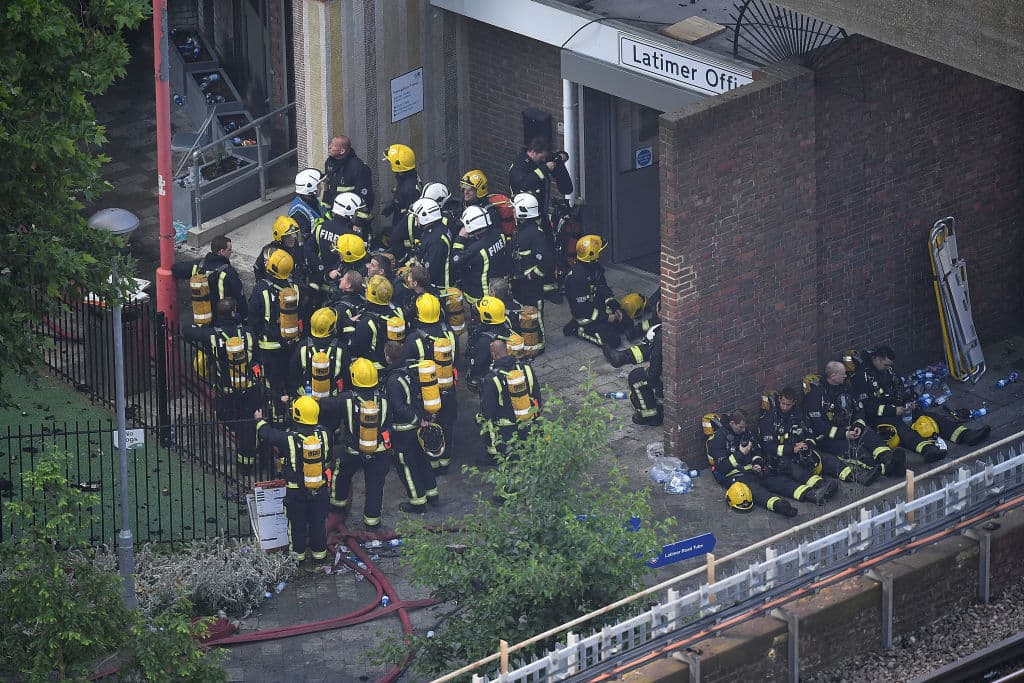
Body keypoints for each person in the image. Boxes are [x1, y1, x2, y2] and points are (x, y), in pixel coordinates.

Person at [851, 346, 990, 460]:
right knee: (903, 430)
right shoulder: (862, 377)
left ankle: (966, 435)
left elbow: (898, 385)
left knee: (930, 417)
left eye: (890, 365)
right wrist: (894, 411)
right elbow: (867, 407)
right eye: (886, 364)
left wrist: (907, 401)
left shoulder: (888, 370)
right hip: (880, 417)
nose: (888, 368)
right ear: (876, 359)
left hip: (898, 407)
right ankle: (928, 450)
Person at [184, 297, 261, 473]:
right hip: (249, 391)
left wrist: (202, 328)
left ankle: (240, 438)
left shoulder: (212, 336)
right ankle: (247, 466)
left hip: (226, 393)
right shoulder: (248, 333)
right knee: (249, 426)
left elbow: (186, 331)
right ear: (234, 312)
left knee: (231, 421)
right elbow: (258, 358)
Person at [759, 387, 878, 496]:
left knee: (827, 460)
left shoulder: (799, 414)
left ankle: (858, 476)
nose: (784, 407)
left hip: (802, 450)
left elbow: (810, 432)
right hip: (782, 457)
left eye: (788, 405)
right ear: (779, 399)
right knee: (797, 470)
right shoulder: (768, 419)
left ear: (794, 402)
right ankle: (822, 486)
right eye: (783, 403)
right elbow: (768, 446)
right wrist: (791, 449)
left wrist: (807, 444)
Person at [254, 396, 332, 561]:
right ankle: (320, 557)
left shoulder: (289, 438)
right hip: (320, 489)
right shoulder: (325, 434)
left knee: (297, 527)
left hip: (296, 492)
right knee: (318, 524)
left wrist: (259, 420)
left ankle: (297, 559)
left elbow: (268, 435)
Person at [805, 361, 906, 477]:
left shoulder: (846, 388)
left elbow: (859, 409)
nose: (845, 376)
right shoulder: (815, 395)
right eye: (843, 374)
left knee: (872, 439)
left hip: (850, 428)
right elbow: (818, 425)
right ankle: (884, 469)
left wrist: (858, 425)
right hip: (829, 438)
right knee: (858, 452)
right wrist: (844, 434)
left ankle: (890, 458)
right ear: (833, 376)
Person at [327, 358, 392, 528]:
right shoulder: (384, 399)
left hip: (351, 451)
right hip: (378, 451)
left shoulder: (346, 399)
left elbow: (328, 409)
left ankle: (337, 510)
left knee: (341, 476)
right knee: (375, 486)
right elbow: (389, 423)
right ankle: (372, 522)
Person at [404, 293, 459, 474]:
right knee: (447, 424)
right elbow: (455, 359)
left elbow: (408, 366)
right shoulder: (449, 333)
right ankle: (445, 461)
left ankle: (431, 461)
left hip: (425, 393)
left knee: (428, 425)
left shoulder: (414, 338)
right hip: (448, 389)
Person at [707, 410, 799, 517]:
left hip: (753, 471)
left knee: (776, 481)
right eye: (740, 427)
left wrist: (758, 463)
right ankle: (779, 505)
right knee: (755, 491)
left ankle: (808, 493)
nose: (743, 429)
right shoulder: (718, 439)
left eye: (745, 427)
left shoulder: (746, 433)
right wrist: (740, 453)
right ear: (732, 423)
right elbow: (722, 467)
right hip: (734, 476)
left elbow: (757, 450)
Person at [383, 341, 439, 513]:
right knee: (422, 462)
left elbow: (398, 407)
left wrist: (415, 420)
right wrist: (422, 420)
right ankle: (432, 495)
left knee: (407, 466)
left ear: (387, 358)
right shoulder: (413, 370)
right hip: (420, 428)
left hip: (404, 431)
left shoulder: (393, 380)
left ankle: (417, 503)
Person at [249, 249, 302, 420]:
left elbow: (253, 320)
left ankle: (275, 417)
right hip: (290, 345)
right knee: (290, 382)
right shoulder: (294, 288)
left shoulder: (261, 289)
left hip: (268, 348)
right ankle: (294, 415)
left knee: (272, 384)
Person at [478, 338, 541, 467]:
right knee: (530, 455)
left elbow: (488, 410)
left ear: (493, 355)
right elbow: (537, 396)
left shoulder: (492, 378)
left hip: (507, 430)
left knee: (511, 463)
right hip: (528, 422)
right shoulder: (526, 368)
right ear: (507, 351)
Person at [562, 234, 629, 348]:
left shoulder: (595, 269)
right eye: (600, 252)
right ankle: (578, 329)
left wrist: (615, 308)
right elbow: (582, 309)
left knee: (627, 323)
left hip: (599, 309)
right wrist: (607, 317)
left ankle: (605, 326)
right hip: (587, 317)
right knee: (613, 341)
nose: (601, 254)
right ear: (592, 255)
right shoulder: (576, 278)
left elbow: (604, 289)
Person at [509, 193, 553, 355]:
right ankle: (528, 338)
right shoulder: (521, 230)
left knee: (536, 314)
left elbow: (546, 262)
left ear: (522, 211)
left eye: (514, 209)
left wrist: (531, 275)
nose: (512, 212)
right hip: (520, 283)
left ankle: (539, 344)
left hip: (532, 285)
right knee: (524, 312)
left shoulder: (536, 234)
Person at [172, 234, 248, 324]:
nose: (231, 252)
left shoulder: (199, 265)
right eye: (229, 250)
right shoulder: (229, 273)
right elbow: (240, 298)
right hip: (220, 320)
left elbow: (177, 269)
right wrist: (245, 318)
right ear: (222, 251)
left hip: (202, 316)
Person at [508, 136, 573, 233]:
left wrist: (560, 156)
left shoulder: (539, 159)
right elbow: (524, 184)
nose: (543, 160)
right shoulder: (519, 165)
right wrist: (545, 169)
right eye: (541, 157)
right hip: (526, 217)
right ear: (533, 152)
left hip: (542, 214)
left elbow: (560, 155)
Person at [451, 204, 511, 307]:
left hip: (479, 295)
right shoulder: (499, 234)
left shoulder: (476, 249)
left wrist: (460, 238)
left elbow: (455, 261)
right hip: (497, 287)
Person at [287, 307, 347, 400]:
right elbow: (346, 375)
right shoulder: (341, 347)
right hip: (333, 400)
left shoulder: (302, 346)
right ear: (331, 327)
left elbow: (293, 372)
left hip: (307, 399)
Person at [349, 274, 405, 369]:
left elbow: (357, 349)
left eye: (368, 288)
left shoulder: (366, 322)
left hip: (374, 368)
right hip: (397, 364)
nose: (366, 289)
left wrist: (349, 324)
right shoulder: (398, 312)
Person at [465, 296, 514, 391]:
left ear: (486, 317)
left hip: (491, 381)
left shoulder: (484, 341)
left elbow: (477, 365)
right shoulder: (505, 323)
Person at [382, 144, 421, 253]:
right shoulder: (410, 176)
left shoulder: (408, 188)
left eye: (390, 162)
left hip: (404, 229)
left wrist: (395, 236)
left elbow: (406, 218)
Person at [409, 197, 454, 288]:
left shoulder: (436, 240)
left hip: (438, 286)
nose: (416, 221)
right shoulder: (437, 229)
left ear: (425, 216)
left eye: (417, 217)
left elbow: (432, 269)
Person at [323, 135, 374, 213]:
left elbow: (365, 198)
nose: (329, 147)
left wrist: (358, 222)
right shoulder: (329, 162)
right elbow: (327, 186)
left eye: (333, 145)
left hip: (350, 213)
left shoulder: (358, 168)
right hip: (334, 212)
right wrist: (325, 208)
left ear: (342, 151)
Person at [254, 216, 307, 285]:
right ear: (279, 237)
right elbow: (258, 269)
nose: (292, 238)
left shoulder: (298, 247)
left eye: (294, 234)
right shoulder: (269, 252)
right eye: (287, 236)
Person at [289, 168, 329, 241]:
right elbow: (304, 241)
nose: (321, 188)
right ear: (310, 187)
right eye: (318, 185)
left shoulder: (311, 200)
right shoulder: (298, 213)